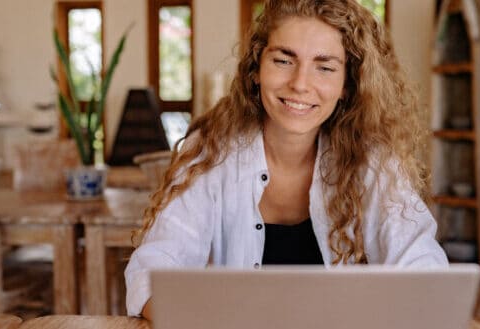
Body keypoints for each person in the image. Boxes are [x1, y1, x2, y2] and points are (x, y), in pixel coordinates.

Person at [125, 0, 448, 318]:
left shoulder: (373, 160)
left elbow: (421, 269)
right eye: (283, 60)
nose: (300, 84)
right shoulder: (211, 151)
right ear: (255, 69)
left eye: (324, 67)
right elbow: (154, 271)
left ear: (347, 86)